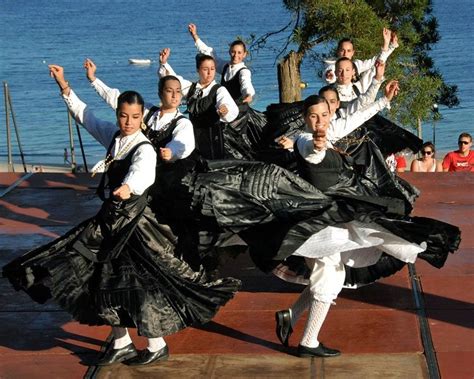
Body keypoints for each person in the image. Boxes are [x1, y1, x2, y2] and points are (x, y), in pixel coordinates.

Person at [2, 64, 240, 367]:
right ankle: (122, 341)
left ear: (143, 116)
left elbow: (145, 172)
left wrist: (128, 187)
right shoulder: (115, 137)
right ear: (119, 115)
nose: (128, 122)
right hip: (112, 221)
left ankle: (156, 344)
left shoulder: (145, 147)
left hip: (134, 226)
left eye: (135, 117)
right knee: (103, 280)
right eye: (124, 116)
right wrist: (64, 87)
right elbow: (86, 117)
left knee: (136, 284)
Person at [271, 95, 461, 358]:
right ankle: (308, 342)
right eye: (313, 116)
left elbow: (355, 116)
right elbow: (312, 153)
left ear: (330, 114)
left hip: (336, 219)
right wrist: (317, 146)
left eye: (324, 115)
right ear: (305, 118)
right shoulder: (305, 140)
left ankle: (290, 317)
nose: (319, 122)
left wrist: (383, 98)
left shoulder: (331, 131)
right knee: (329, 279)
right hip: (317, 227)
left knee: (333, 277)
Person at [85, 58, 196, 163]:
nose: (174, 95)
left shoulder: (183, 123)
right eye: (169, 91)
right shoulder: (148, 111)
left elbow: (183, 142)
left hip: (166, 175)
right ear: (160, 94)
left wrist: (171, 151)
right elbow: (116, 98)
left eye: (178, 91)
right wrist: (93, 79)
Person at [158, 48, 239, 159]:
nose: (210, 73)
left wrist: (224, 109)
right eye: (205, 69)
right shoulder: (191, 88)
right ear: (198, 70)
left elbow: (226, 104)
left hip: (212, 140)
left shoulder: (219, 90)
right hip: (192, 137)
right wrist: (164, 63)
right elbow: (173, 81)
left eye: (212, 69)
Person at [188, 23, 255, 107]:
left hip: (239, 112)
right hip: (224, 109)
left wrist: (248, 94)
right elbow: (209, 53)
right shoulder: (225, 66)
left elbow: (246, 83)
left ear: (244, 54)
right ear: (229, 51)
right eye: (233, 52)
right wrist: (194, 35)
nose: (236, 55)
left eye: (239, 53)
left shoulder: (244, 71)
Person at [323, 28, 398, 84]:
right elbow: (330, 73)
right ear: (338, 51)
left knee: (374, 68)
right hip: (339, 102)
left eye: (348, 51)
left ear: (353, 53)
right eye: (342, 50)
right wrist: (330, 75)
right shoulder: (332, 65)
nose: (345, 54)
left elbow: (376, 61)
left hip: (356, 101)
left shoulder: (357, 65)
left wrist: (390, 46)